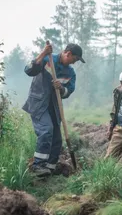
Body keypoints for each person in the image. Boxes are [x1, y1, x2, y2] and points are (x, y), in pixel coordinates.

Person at [22, 42, 85, 177]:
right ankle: (38, 165)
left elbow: (69, 91)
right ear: (68, 54)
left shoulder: (70, 73)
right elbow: (28, 70)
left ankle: (50, 168)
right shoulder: (47, 60)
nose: (74, 63)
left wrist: (61, 89)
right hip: (39, 104)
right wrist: (43, 53)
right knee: (46, 130)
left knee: (57, 138)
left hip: (54, 106)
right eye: (74, 59)